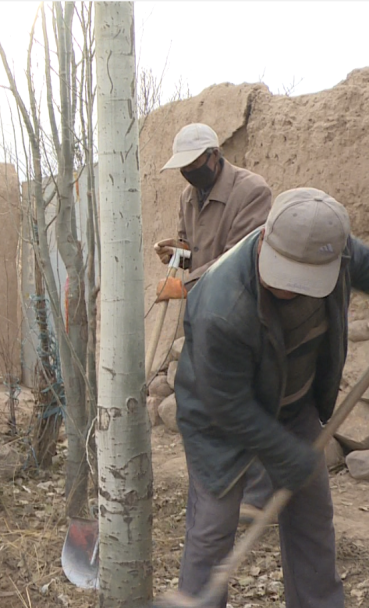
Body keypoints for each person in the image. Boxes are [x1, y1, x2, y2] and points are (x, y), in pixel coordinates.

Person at [173, 187, 369, 608]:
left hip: (292, 404)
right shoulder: (220, 307)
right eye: (283, 276)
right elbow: (228, 406)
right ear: (265, 240)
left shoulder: (332, 248)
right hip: (219, 421)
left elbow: (364, 265)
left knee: (312, 517)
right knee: (213, 528)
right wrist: (284, 453)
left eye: (303, 280)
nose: (289, 290)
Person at [152, 121, 275, 522]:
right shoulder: (189, 196)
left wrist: (182, 282)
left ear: (214, 155)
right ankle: (223, 485)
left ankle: (259, 497)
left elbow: (237, 261)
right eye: (182, 167)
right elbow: (192, 248)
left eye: (193, 164)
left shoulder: (251, 191)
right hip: (203, 317)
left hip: (243, 317)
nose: (188, 173)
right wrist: (174, 253)